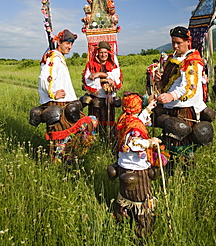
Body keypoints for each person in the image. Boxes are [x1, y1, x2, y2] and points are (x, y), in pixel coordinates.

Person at [30, 29, 97, 161]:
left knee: (84, 125)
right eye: (67, 43)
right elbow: (44, 78)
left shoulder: (58, 57)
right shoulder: (53, 57)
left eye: (71, 44)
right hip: (58, 103)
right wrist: (53, 93)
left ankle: (69, 158)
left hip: (66, 102)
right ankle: (59, 162)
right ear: (59, 42)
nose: (70, 47)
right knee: (60, 134)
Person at [107, 92, 167, 238]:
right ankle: (143, 230)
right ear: (136, 106)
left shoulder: (125, 118)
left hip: (123, 165)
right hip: (137, 168)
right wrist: (149, 142)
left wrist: (148, 109)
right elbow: (134, 143)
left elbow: (137, 121)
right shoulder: (134, 127)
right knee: (142, 199)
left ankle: (121, 221)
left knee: (125, 195)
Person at [154, 26, 214, 157]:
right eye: (173, 42)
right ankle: (171, 168)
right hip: (170, 107)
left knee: (184, 143)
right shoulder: (172, 58)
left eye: (178, 43)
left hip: (184, 108)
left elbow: (188, 86)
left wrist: (171, 95)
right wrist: (160, 81)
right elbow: (169, 83)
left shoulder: (192, 61)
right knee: (169, 142)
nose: (175, 46)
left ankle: (186, 172)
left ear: (188, 42)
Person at [82, 41, 122, 140]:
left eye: (105, 52)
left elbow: (116, 78)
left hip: (108, 98)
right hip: (96, 97)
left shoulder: (112, 64)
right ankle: (93, 141)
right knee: (94, 121)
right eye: (101, 52)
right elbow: (88, 80)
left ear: (108, 53)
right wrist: (104, 79)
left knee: (109, 120)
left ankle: (109, 140)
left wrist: (99, 74)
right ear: (97, 53)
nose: (103, 55)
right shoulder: (91, 64)